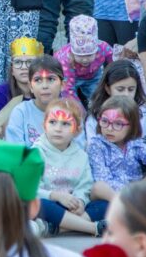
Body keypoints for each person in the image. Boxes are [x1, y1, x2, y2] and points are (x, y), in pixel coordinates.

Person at [87, 96, 146, 212]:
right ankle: (130, 207)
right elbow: (102, 179)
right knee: (99, 187)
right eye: (105, 121)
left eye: (118, 124)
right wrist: (131, 192)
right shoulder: (97, 145)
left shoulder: (136, 145)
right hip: (110, 196)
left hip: (137, 194)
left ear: (131, 126)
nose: (109, 129)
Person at [33, 97, 101, 236]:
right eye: (53, 122)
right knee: (39, 204)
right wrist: (55, 196)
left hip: (71, 206)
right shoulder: (35, 152)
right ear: (44, 125)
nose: (58, 129)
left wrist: (80, 202)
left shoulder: (81, 156)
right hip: (48, 204)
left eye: (65, 124)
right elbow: (31, 189)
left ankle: (58, 227)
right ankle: (92, 228)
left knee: (103, 205)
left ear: (77, 130)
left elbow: (85, 185)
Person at [6, 56, 64, 146]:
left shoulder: (71, 112)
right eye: (38, 80)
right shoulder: (21, 113)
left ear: (62, 85)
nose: (45, 86)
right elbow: (15, 153)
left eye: (51, 79)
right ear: (30, 87)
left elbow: (77, 150)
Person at [55, 15, 112, 106]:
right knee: (66, 101)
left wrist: (110, 77)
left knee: (99, 98)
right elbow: (68, 90)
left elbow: (113, 61)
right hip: (68, 76)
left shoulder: (103, 48)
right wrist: (79, 111)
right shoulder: (66, 59)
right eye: (80, 56)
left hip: (93, 75)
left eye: (89, 55)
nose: (85, 60)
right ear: (73, 52)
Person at [86, 60, 146, 136]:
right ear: (108, 89)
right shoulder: (96, 117)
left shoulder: (144, 115)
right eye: (120, 89)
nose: (126, 94)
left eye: (131, 89)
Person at [0, 36, 41, 117]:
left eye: (30, 62)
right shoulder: (1, 94)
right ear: (12, 70)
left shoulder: (46, 90)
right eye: (18, 62)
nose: (24, 67)